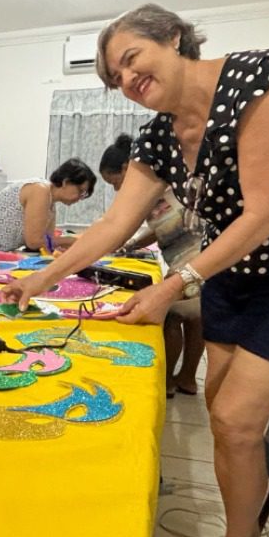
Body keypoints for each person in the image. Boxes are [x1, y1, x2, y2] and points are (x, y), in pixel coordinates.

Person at [2, 3, 269, 537]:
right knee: (224, 420)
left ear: (174, 38)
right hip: (233, 269)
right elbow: (114, 223)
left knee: (237, 417)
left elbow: (267, 211)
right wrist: (40, 280)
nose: (127, 79)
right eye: (115, 77)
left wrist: (173, 285)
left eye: (132, 59)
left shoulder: (263, 79)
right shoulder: (156, 138)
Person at [100, 134, 204, 397]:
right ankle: (187, 379)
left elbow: (118, 227)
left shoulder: (155, 187)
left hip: (196, 261)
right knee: (196, 319)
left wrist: (115, 242)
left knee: (169, 313)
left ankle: (167, 381)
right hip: (196, 261)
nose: (116, 189)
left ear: (126, 168)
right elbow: (162, 226)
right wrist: (132, 245)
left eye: (114, 182)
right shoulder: (165, 187)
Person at [0, 158, 96, 252]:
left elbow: (46, 242)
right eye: (81, 191)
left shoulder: (51, 203)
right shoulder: (40, 190)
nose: (80, 198)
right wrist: (69, 241)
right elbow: (34, 242)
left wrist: (60, 247)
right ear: (65, 182)